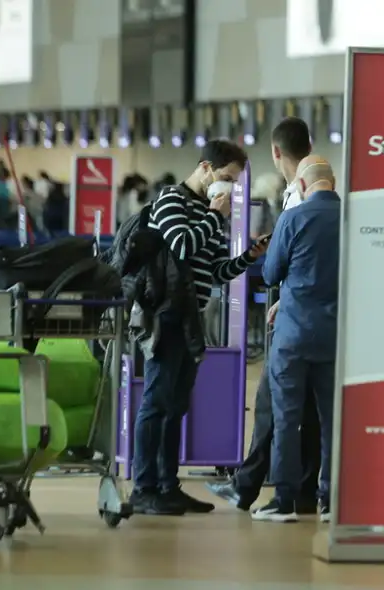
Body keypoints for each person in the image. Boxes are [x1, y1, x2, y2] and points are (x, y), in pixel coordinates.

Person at [130, 139, 269, 516]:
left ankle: (166, 484)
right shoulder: (172, 199)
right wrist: (214, 215)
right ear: (205, 168)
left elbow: (217, 270)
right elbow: (180, 245)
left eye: (234, 183)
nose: (228, 187)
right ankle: (143, 488)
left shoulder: (210, 212)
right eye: (225, 178)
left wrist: (248, 257)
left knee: (176, 405)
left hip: (193, 317)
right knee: (157, 402)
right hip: (167, 315)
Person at [207, 117, 322, 514]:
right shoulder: (319, 193)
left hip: (297, 320)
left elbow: (281, 266)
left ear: (276, 152)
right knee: (302, 408)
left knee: (276, 404)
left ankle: (260, 488)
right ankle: (295, 490)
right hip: (309, 313)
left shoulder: (300, 196)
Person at [255, 155, 340, 523]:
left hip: (293, 335)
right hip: (335, 335)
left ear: (302, 186)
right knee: (331, 419)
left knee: (286, 417)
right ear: (332, 183)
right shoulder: (354, 221)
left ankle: (284, 501)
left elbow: (271, 273)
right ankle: (331, 500)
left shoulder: (293, 218)